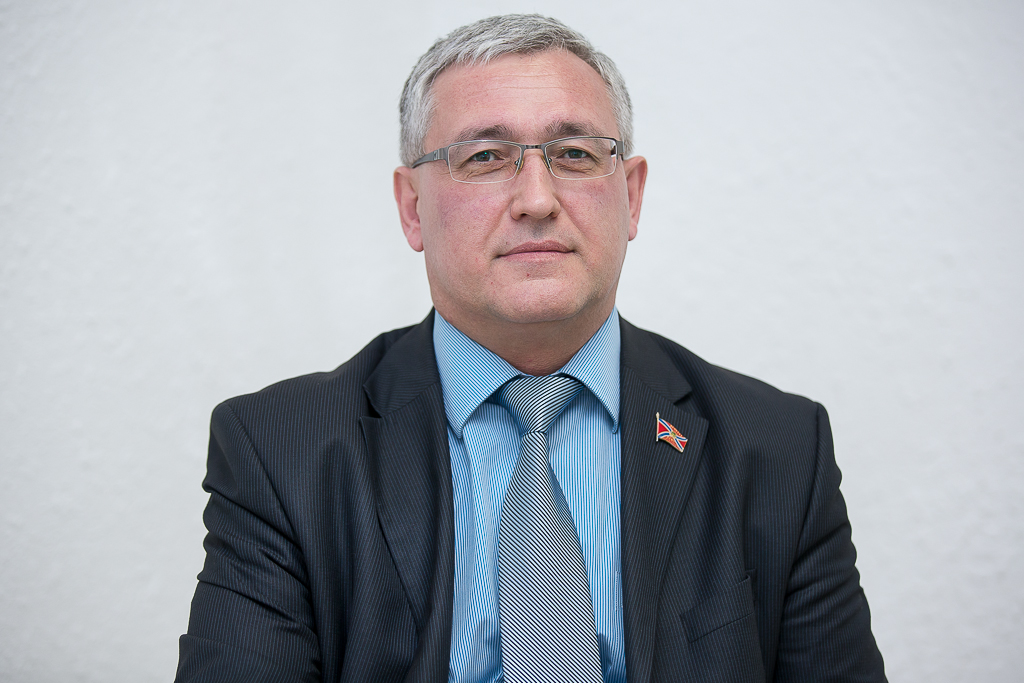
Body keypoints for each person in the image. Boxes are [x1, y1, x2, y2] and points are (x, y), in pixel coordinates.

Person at [175, 14, 886, 683]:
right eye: (486, 157)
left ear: (631, 196)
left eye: (575, 154)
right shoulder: (283, 452)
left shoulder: (779, 449)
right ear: (412, 207)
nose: (538, 199)